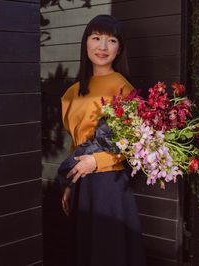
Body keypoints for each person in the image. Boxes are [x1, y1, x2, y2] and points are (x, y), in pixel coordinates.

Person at [59, 15, 146, 266]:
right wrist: (69, 183)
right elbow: (74, 143)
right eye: (96, 38)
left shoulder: (123, 88)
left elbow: (136, 145)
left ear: (120, 49)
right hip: (81, 181)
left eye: (112, 40)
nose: (103, 47)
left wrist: (96, 161)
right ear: (85, 43)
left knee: (109, 254)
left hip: (110, 184)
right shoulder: (71, 93)